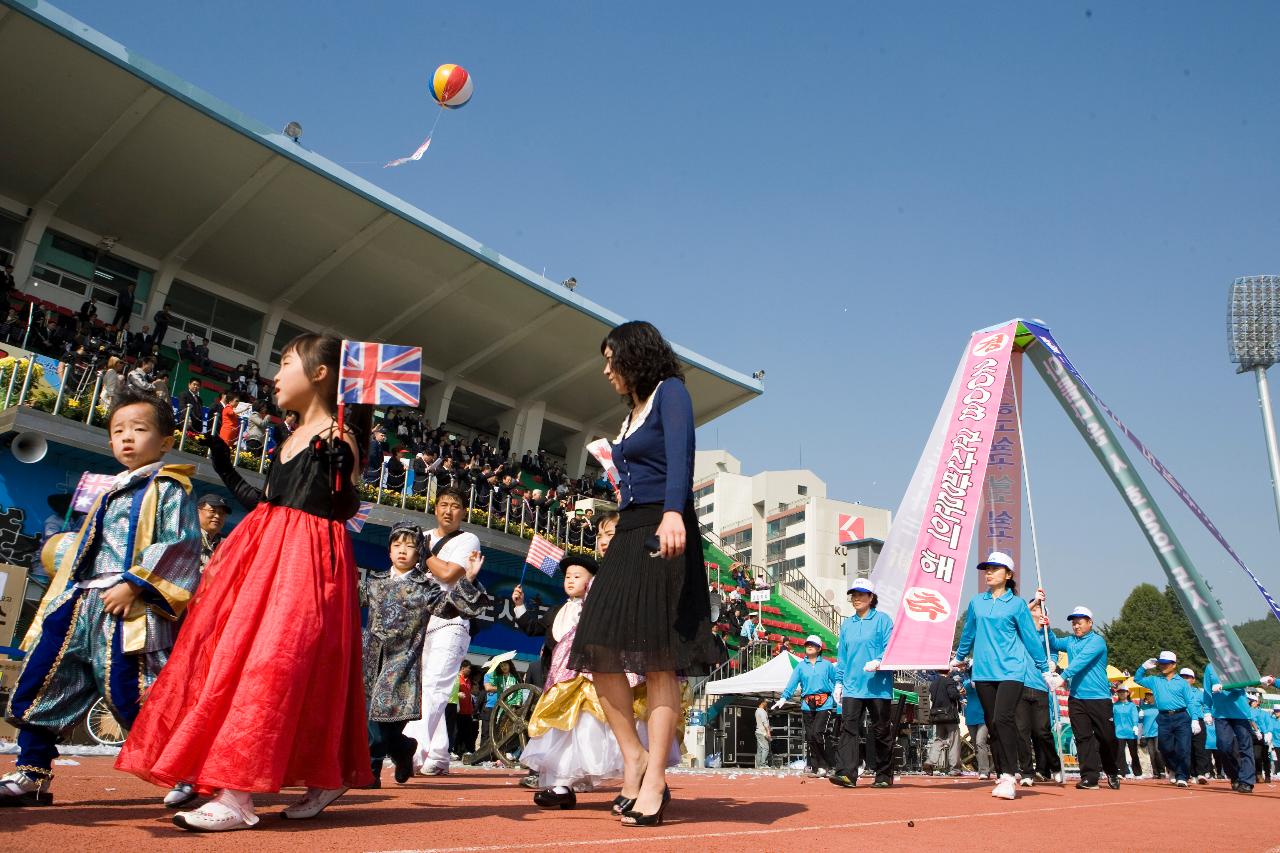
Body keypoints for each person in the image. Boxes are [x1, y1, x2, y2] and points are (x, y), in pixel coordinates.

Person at [115, 332, 376, 831]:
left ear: (320, 374)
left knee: (270, 664)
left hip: (305, 560)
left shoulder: (337, 438)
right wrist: (225, 467)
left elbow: (338, 508)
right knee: (238, 658)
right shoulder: (292, 434)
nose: (275, 375)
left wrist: (345, 477)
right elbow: (269, 500)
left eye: (285, 363)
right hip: (265, 552)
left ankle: (236, 795)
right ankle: (322, 774)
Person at [1, 389, 201, 806]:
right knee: (43, 680)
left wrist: (135, 584)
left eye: (139, 429)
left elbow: (179, 543)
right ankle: (31, 773)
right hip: (80, 602)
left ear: (165, 440)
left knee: (133, 694)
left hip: (128, 606)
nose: (127, 438)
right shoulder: (109, 489)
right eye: (118, 430)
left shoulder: (169, 488)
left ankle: (185, 771)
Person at [567, 321, 722, 828]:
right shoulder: (629, 413)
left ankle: (654, 776)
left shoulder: (670, 393)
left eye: (612, 359)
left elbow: (681, 455)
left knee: (659, 658)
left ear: (637, 355)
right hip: (628, 531)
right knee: (596, 643)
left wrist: (674, 512)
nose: (606, 369)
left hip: (664, 525)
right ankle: (631, 756)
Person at [518, 553, 654, 808]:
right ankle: (562, 784)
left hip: (592, 677)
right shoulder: (559, 610)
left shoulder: (600, 606)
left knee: (592, 725)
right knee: (564, 729)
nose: (570, 581)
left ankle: (638, 779)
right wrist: (519, 606)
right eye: (568, 577)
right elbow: (533, 628)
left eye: (577, 576)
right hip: (561, 680)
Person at [361, 522, 487, 789]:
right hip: (372, 660)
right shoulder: (374, 582)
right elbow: (347, 597)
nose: (402, 551)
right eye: (397, 545)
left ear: (420, 553)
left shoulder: (424, 587)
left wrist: (468, 581)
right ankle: (403, 749)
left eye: (409, 546)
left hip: (402, 661)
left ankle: (372, 769)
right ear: (389, 551)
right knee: (375, 719)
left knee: (383, 720)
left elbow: (449, 607)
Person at [952, 551, 1052, 802]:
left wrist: (1043, 668)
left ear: (1008, 575)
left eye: (995, 569)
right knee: (993, 723)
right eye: (987, 568)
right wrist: (960, 657)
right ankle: (1004, 770)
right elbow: (969, 633)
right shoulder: (977, 602)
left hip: (1011, 671)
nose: (989, 572)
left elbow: (1030, 637)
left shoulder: (1017, 605)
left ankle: (1009, 775)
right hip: (984, 672)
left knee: (1003, 717)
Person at [403, 486, 485, 777]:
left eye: (455, 505)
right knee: (426, 686)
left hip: (452, 619)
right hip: (422, 620)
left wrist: (424, 556)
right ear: (435, 508)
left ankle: (410, 751)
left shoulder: (468, 539)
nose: (448, 510)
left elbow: (449, 573)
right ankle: (437, 755)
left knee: (435, 686)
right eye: (443, 504)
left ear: (463, 512)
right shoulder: (422, 537)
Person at [1037, 601, 1119, 790]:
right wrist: (1046, 627)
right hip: (1077, 698)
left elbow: (1081, 661)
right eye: (1073, 622)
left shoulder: (1097, 641)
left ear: (1090, 622)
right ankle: (1090, 777)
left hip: (1099, 698)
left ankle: (1111, 770)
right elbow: (1054, 643)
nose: (1076, 625)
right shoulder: (1071, 641)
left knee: (1106, 738)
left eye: (1080, 622)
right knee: (1083, 738)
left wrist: (1063, 676)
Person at [829, 578, 895, 789]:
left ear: (871, 598)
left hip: (878, 686)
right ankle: (846, 774)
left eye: (861, 594)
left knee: (880, 730)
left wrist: (879, 661)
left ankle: (884, 774)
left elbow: (891, 647)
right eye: (854, 595)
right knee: (848, 729)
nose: (856, 598)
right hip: (852, 686)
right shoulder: (847, 624)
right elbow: (843, 658)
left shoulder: (883, 620)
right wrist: (839, 683)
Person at [774, 635, 837, 777]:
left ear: (819, 648)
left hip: (824, 704)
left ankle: (825, 765)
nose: (809, 646)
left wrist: (838, 695)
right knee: (810, 736)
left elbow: (836, 681)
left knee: (817, 733)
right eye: (807, 644)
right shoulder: (801, 666)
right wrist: (784, 697)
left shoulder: (827, 665)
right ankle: (815, 767)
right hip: (807, 705)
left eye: (813, 644)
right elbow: (792, 683)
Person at [1132, 650, 1194, 787]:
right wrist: (1143, 667)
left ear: (1174, 665)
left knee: (1183, 748)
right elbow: (1137, 679)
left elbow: (1190, 701)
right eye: (1161, 664)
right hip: (1164, 717)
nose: (1163, 666)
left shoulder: (1183, 683)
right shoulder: (1155, 680)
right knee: (1164, 748)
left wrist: (1195, 719)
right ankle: (1173, 768)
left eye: (1166, 664)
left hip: (1181, 716)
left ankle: (1182, 776)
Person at [1203, 662, 1259, 793]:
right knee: (1223, 747)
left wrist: (1224, 686)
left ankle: (1247, 782)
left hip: (1241, 713)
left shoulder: (1238, 664)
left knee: (1245, 747)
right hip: (1221, 714)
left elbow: (1243, 685)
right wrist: (1206, 710)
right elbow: (1207, 690)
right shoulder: (1210, 667)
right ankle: (1235, 776)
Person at [925, 670, 963, 776]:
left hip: (938, 716)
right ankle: (955, 769)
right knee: (954, 742)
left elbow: (932, 698)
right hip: (949, 716)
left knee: (939, 740)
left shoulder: (934, 683)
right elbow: (953, 695)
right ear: (948, 671)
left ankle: (930, 761)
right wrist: (959, 693)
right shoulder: (949, 681)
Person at [1178, 668, 1212, 784]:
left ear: (1193, 680)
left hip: (1198, 721)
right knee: (1185, 748)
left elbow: (1208, 704)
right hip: (1183, 721)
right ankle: (1190, 773)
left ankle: (1201, 773)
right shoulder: (1177, 692)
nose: (1185, 679)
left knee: (1199, 748)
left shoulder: (1199, 693)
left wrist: (1208, 714)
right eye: (1182, 677)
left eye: (1187, 677)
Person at [962, 675, 993, 779]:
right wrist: (973, 682)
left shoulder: (987, 680)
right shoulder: (968, 681)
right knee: (975, 745)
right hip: (971, 718)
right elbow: (967, 686)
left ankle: (984, 771)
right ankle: (982, 770)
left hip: (984, 717)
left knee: (980, 742)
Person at [195, 494, 231, 572]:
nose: (217, 516)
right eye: (212, 511)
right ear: (197, 512)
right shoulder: (188, 538)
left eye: (222, 513)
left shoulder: (226, 545)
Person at [1112, 687, 1142, 779]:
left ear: (1127, 693)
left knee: (1133, 753)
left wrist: (1135, 726)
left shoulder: (1132, 705)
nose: (1121, 694)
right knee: (1119, 753)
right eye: (1120, 692)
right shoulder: (1115, 705)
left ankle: (1137, 773)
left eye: (1123, 692)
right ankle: (1121, 771)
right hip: (1119, 732)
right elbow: (1112, 717)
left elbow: (1134, 716)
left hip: (1130, 732)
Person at [1138, 695, 1164, 779]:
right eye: (1147, 696)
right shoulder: (1142, 707)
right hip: (1147, 733)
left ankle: (1162, 771)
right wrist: (1140, 734)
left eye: (1150, 695)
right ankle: (1155, 772)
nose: (1148, 697)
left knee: (1158, 751)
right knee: (1151, 753)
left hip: (1158, 731)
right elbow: (1140, 721)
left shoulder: (1159, 706)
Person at [754, 699, 773, 769]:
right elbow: (765, 723)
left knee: (760, 749)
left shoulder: (757, 710)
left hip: (758, 731)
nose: (766, 703)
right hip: (762, 732)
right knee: (766, 748)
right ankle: (762, 764)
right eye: (765, 701)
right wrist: (768, 732)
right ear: (762, 703)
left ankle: (759, 765)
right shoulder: (762, 711)